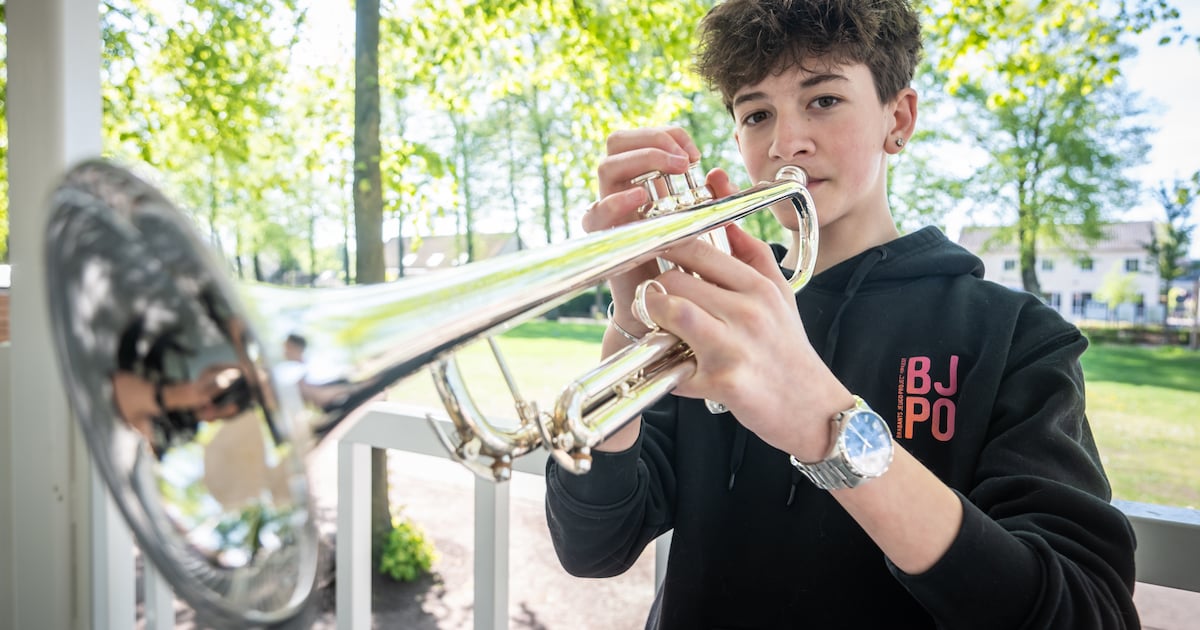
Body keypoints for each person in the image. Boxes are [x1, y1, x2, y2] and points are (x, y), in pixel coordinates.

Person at [542, 1, 1139, 628]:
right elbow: (592, 546)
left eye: (823, 99)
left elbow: (1087, 610)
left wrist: (823, 422)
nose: (784, 143)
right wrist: (631, 330)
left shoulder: (1018, 335)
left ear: (898, 119)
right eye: (756, 114)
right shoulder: (711, 313)